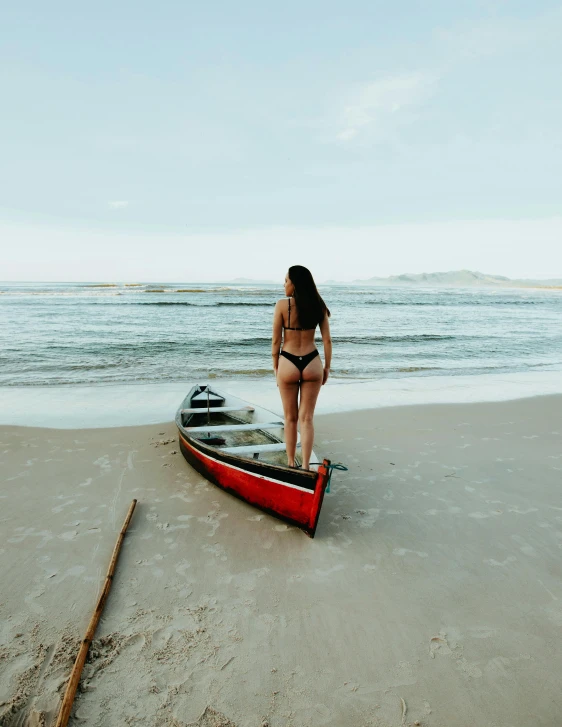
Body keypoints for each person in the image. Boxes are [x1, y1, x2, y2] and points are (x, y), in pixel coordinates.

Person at [271, 265, 332, 470]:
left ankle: (290, 463)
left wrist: (275, 366)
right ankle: (306, 466)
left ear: (294, 284)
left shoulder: (281, 305)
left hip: (288, 361)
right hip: (312, 361)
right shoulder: (318, 305)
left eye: (286, 281)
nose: (284, 285)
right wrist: (327, 368)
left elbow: (275, 342)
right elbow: (327, 341)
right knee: (307, 419)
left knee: (290, 418)